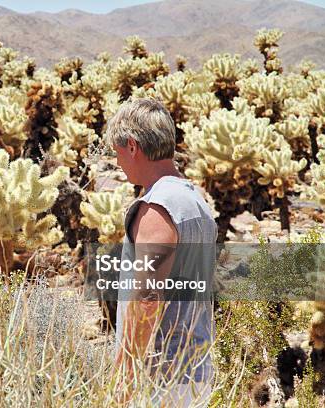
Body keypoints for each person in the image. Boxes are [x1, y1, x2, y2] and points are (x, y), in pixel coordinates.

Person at [105, 98, 217, 407]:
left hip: (161, 376)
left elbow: (148, 298)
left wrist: (125, 375)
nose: (118, 163)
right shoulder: (194, 197)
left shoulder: (158, 207)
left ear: (132, 146)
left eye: (117, 152)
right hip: (195, 367)